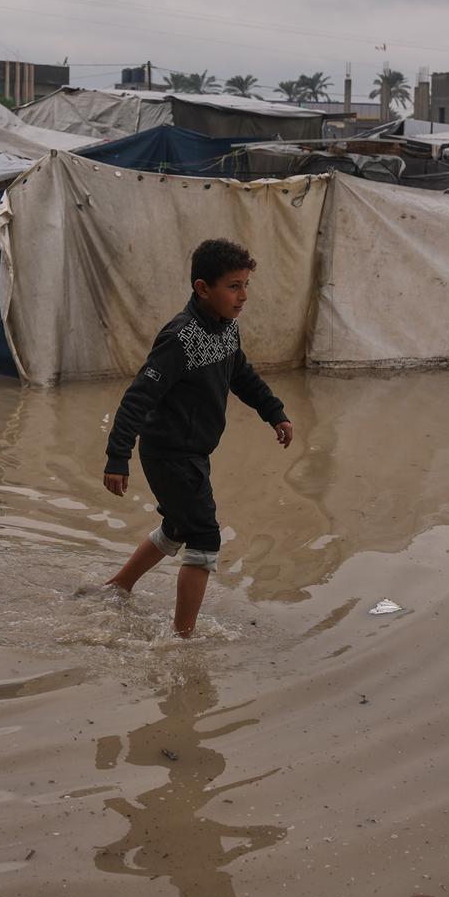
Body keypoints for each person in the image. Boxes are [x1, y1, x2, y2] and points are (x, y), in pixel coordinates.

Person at [100, 238, 293, 637]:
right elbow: (137, 398)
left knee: (177, 527)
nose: (243, 296)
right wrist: (118, 457)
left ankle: (119, 586)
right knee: (205, 537)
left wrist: (274, 412)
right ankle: (183, 637)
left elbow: (242, 376)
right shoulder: (180, 337)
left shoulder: (226, 331)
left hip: (192, 452)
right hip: (169, 454)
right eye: (233, 286)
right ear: (203, 288)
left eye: (245, 285)